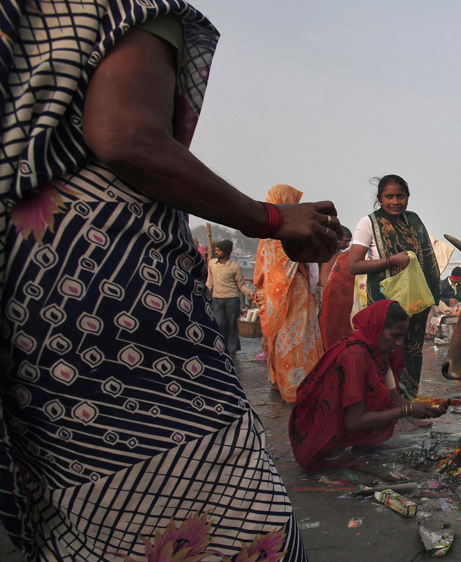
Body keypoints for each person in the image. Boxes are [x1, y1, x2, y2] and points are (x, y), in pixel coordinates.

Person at [0, 2, 341, 559]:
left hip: (30, 290)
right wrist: (271, 219)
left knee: (89, 512)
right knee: (229, 509)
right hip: (106, 281)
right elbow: (126, 135)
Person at [289, 300, 446, 472]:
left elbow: (394, 399)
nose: (399, 343)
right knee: (377, 401)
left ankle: (363, 444)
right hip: (317, 436)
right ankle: (334, 454)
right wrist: (407, 411)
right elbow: (354, 421)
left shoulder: (380, 350)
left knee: (383, 398)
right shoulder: (355, 355)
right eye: (394, 336)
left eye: (402, 336)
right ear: (376, 328)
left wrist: (426, 408)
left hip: (346, 421)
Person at [348, 175, 441, 400]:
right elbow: (353, 265)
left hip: (415, 302)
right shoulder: (368, 223)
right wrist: (390, 261)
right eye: (389, 196)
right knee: (387, 350)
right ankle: (386, 407)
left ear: (408, 197)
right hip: (386, 304)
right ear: (380, 198)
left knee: (412, 351)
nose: (395, 201)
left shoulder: (414, 221)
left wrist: (432, 300)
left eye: (401, 196)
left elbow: (427, 260)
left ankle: (407, 405)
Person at [255, 185, 326, 403]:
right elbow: (308, 258)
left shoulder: (264, 233)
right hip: (295, 293)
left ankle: (280, 382)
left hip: (272, 296)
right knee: (297, 338)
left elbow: (259, 272)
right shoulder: (290, 229)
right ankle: (298, 387)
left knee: (279, 338)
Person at [207, 239, 254, 356]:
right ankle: (221, 347)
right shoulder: (212, 263)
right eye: (215, 250)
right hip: (217, 298)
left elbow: (241, 285)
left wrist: (251, 293)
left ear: (226, 252)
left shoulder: (235, 267)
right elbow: (209, 282)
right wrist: (204, 293)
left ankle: (232, 350)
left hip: (232, 298)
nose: (216, 252)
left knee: (233, 324)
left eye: (218, 250)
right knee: (219, 323)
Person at [319, 225, 356, 349]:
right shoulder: (324, 253)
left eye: (349, 242)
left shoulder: (341, 256)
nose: (347, 244)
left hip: (335, 295)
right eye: (345, 241)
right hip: (321, 293)